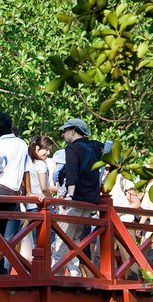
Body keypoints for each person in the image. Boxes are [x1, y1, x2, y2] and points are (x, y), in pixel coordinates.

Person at [51, 117, 105, 276]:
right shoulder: (96, 145)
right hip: (91, 201)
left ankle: (55, 275)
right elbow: (117, 158)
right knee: (75, 239)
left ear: (73, 131)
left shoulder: (72, 149)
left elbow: (72, 174)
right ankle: (75, 274)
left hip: (76, 200)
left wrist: (70, 195)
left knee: (62, 239)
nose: (63, 134)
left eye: (65, 131)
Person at [0, 112, 31, 274]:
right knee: (9, 235)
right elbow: (26, 170)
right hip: (13, 193)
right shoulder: (22, 144)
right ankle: (4, 269)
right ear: (11, 126)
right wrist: (29, 192)